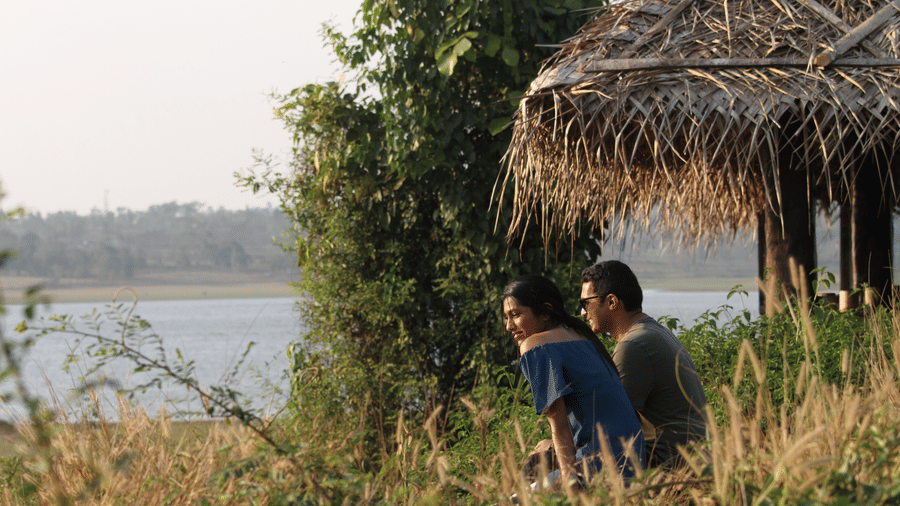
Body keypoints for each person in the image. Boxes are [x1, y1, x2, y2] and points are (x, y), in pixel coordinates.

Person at [502, 274, 646, 488]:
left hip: (600, 466)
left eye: (516, 314)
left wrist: (571, 485)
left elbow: (559, 426)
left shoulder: (535, 346)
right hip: (634, 463)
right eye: (506, 317)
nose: (508, 326)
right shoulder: (582, 336)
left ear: (545, 312)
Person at [580, 260, 708, 468]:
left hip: (669, 461)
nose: (583, 313)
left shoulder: (633, 345)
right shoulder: (651, 332)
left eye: (585, 303)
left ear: (612, 302)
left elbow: (609, 426)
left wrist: (557, 445)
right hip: (687, 455)